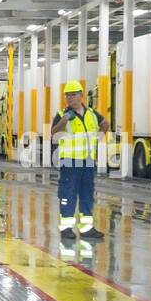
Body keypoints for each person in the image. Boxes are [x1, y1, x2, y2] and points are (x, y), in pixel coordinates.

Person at [50, 80, 107, 240]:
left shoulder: (92, 114)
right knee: (68, 193)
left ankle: (87, 228)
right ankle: (66, 228)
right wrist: (65, 120)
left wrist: (100, 135)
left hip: (88, 161)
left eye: (72, 95)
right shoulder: (62, 115)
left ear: (81, 96)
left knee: (87, 194)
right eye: (67, 95)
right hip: (69, 161)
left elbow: (105, 123)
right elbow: (53, 134)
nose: (69, 98)